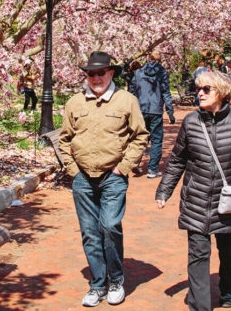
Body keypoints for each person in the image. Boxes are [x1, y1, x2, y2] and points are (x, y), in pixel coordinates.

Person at [155, 71, 231, 310]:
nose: (200, 93)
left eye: (207, 89)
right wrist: (164, 191)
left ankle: (227, 290)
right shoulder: (191, 122)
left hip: (228, 202)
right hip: (196, 199)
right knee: (198, 255)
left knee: (228, 253)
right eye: (198, 89)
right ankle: (200, 306)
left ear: (222, 92)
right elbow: (177, 160)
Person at [59, 51, 148, 307]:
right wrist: (73, 171)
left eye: (101, 72)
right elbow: (64, 139)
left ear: (111, 73)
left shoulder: (126, 100)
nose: (96, 77)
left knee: (109, 227)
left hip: (113, 176)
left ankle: (116, 280)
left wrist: (124, 167)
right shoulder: (75, 102)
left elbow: (139, 135)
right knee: (89, 233)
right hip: (83, 178)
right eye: (91, 73)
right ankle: (98, 284)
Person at [129, 50, 175, 179]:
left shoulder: (138, 73)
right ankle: (152, 169)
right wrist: (170, 112)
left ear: (148, 59)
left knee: (140, 138)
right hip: (155, 110)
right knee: (156, 140)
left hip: (141, 109)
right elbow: (166, 92)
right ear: (160, 61)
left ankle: (135, 162)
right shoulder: (162, 73)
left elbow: (132, 90)